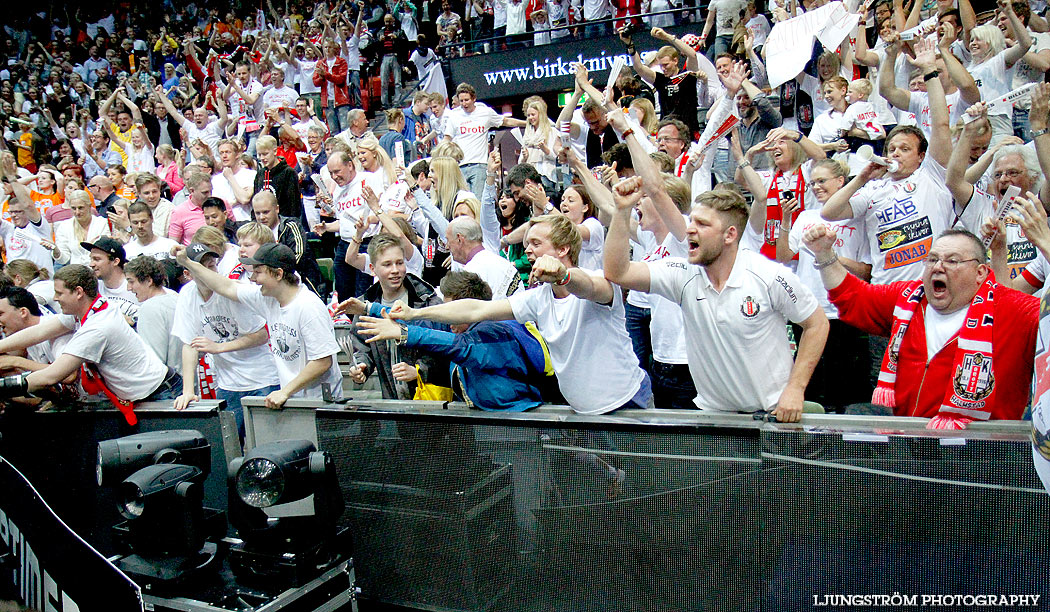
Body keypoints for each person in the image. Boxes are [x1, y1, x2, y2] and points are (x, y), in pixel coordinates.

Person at [604, 178, 828, 421]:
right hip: (715, 418)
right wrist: (622, 210)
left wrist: (796, 388)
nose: (690, 229)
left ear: (729, 235)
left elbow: (817, 323)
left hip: (772, 417)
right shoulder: (682, 274)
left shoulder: (768, 275)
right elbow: (618, 272)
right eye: (691, 221)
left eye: (702, 224)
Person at [388, 214, 652, 414]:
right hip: (583, 411)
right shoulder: (537, 298)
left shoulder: (595, 279)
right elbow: (476, 308)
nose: (527, 250)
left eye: (536, 243)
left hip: (625, 403)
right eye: (527, 244)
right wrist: (412, 314)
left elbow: (589, 288)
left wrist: (564, 275)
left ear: (563, 250)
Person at [803, 224, 1038, 427]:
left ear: (980, 273)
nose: (938, 266)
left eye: (952, 261)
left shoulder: (1012, 309)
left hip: (981, 454)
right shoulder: (908, 298)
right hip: (911, 443)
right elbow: (853, 297)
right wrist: (825, 255)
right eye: (933, 259)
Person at [0, 265, 180, 424]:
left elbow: (51, 376)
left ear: (78, 292)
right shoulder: (90, 308)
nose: (55, 298)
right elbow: (40, 331)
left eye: (60, 293)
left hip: (159, 393)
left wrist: (4, 386)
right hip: (147, 392)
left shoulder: (97, 328)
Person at [174, 242, 343, 407]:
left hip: (320, 402)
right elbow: (226, 287)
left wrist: (285, 391)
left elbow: (322, 361)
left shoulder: (308, 307)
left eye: (258, 272)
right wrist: (187, 262)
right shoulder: (267, 298)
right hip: (292, 397)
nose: (252, 278)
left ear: (278, 274)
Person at [351, 270, 549, 410]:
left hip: (514, 427)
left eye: (450, 312)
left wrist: (404, 333)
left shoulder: (494, 332)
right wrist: (369, 309)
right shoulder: (462, 326)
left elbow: (459, 347)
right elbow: (428, 326)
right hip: (486, 420)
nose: (447, 320)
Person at [172, 241, 280, 438]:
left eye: (212, 265)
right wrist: (188, 390)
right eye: (202, 267)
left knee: (266, 445)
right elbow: (189, 344)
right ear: (188, 274)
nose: (209, 271)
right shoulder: (187, 295)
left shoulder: (232, 291)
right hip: (227, 384)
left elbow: (263, 334)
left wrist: (219, 347)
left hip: (262, 379)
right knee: (228, 446)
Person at [346, 233, 444, 399]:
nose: (395, 270)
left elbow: (443, 347)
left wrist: (419, 371)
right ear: (372, 269)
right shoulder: (366, 306)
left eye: (399, 263)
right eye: (387, 264)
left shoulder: (427, 301)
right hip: (392, 401)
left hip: (430, 401)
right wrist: (362, 365)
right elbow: (361, 345)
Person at [443, 83, 526, 198]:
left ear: (474, 99)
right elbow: (447, 138)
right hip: (459, 165)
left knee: (477, 201)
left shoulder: (485, 112)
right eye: (461, 101)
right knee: (462, 200)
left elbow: (506, 121)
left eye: (466, 100)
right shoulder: (454, 116)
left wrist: (526, 123)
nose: (464, 104)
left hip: (479, 164)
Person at [251, 191, 321, 295]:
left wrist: (273, 274)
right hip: (268, 283)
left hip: (301, 282)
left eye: (266, 212)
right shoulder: (255, 231)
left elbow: (298, 256)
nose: (261, 217)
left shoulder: (291, 226)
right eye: (257, 213)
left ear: (277, 209)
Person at [125, 255, 182, 370]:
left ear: (149, 281)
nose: (128, 288)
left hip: (169, 383)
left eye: (131, 282)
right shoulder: (176, 298)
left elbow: (154, 360)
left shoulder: (150, 308)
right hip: (186, 379)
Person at [446, 217, 521, 298]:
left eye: (448, 240)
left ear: (459, 239)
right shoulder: (501, 261)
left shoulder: (471, 273)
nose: (447, 247)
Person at [83, 237, 140, 323]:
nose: (91, 264)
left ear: (115, 261)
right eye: (91, 259)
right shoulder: (93, 288)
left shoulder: (137, 287)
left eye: (97, 259)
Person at [52, 190, 111, 266]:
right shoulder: (64, 226)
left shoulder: (101, 223)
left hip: (99, 270)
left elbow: (106, 250)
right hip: (76, 272)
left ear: (89, 206)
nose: (77, 212)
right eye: (73, 208)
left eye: (81, 208)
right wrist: (55, 250)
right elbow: (64, 259)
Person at [253, 134, 304, 222]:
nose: (262, 158)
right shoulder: (260, 174)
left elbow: (294, 205)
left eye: (265, 154)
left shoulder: (288, 173)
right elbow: (255, 200)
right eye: (259, 155)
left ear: (275, 151)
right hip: (263, 225)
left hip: (283, 224)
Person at [168, 171, 214, 245]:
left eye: (210, 191)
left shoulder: (220, 204)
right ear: (192, 190)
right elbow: (173, 244)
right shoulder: (179, 212)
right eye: (205, 193)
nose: (209, 196)